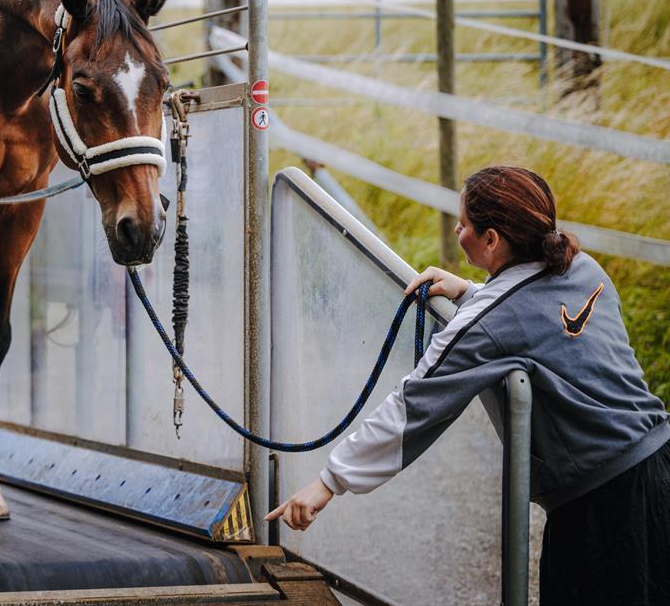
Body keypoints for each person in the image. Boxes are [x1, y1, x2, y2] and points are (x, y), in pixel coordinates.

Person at [266, 166, 669, 606]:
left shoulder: (488, 323)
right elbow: (530, 312)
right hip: (659, 466)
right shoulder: (582, 267)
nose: (457, 231)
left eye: (462, 224)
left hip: (602, 510)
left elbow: (412, 405)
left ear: (491, 239)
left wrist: (328, 482)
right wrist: (470, 293)